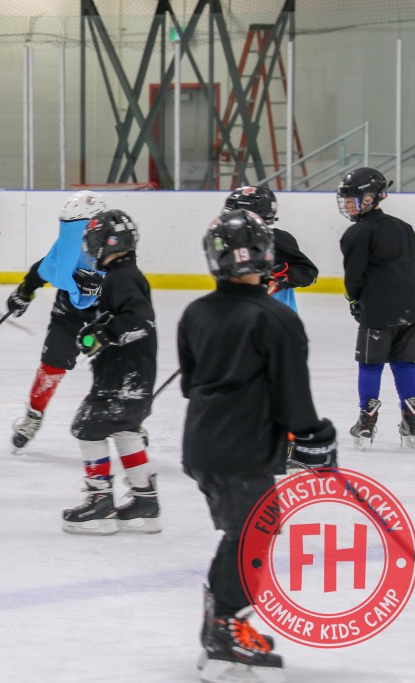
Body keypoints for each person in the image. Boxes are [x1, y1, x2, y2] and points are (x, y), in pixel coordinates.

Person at [178, 210, 337, 683]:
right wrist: (316, 438)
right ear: (267, 255)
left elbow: (190, 384)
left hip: (202, 445)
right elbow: (295, 398)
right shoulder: (277, 318)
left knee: (245, 534)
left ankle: (222, 621)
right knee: (252, 536)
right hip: (244, 449)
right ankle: (226, 628)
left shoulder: (195, 312)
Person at [61, 209, 160, 535]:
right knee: (126, 430)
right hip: (134, 380)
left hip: (121, 381)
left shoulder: (121, 278)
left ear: (106, 243)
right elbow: (126, 317)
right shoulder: (126, 275)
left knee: (87, 427)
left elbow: (140, 319)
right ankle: (146, 500)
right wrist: (96, 329)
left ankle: (99, 499)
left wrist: (104, 334)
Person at [337, 167, 415, 450]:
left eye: (352, 198)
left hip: (378, 313)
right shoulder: (404, 227)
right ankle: (412, 417)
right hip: (410, 311)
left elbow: (353, 277)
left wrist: (355, 301)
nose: (346, 204)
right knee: (404, 364)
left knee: (370, 364)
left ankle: (367, 421)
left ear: (370, 198)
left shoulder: (356, 233)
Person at [5, 190, 107, 452]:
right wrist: (24, 292)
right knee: (52, 364)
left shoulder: (115, 247)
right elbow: (43, 268)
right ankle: (33, 415)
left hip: (107, 314)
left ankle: (129, 420)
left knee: (115, 367)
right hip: (69, 311)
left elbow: (129, 283)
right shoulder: (69, 245)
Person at [222, 185, 318, 312]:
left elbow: (308, 272)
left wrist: (279, 279)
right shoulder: (230, 241)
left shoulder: (276, 239)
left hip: (277, 318)